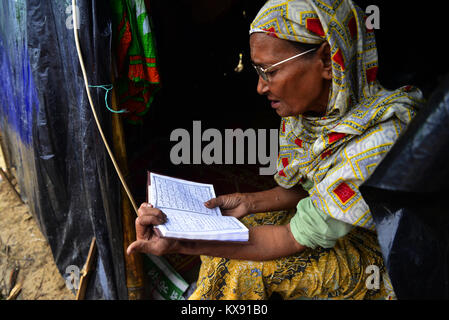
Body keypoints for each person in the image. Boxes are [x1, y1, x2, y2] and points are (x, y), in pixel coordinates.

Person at [126, 0, 424, 299]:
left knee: (244, 270)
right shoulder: (313, 118)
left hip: (382, 255)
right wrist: (249, 202)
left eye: (269, 71)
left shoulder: (378, 140)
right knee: (237, 228)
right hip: (330, 225)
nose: (260, 87)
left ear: (326, 60)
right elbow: (313, 190)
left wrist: (181, 243)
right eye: (257, 70)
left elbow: (292, 237)